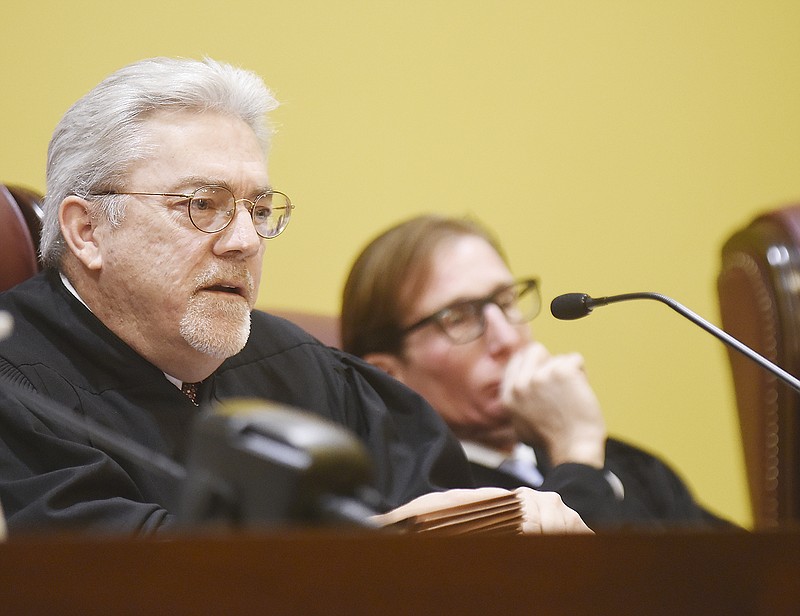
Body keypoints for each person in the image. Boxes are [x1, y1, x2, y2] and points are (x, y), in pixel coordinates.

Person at [0, 57, 588, 536]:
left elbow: (446, 499)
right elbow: (111, 577)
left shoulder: (302, 368)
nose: (244, 241)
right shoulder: (16, 387)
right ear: (87, 231)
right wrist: (380, 553)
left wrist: (514, 529)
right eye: (201, 205)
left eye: (258, 210)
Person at [341, 214, 732, 529]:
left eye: (506, 300)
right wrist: (577, 457)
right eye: (459, 317)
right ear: (388, 375)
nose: (507, 337)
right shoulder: (429, 509)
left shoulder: (625, 461)